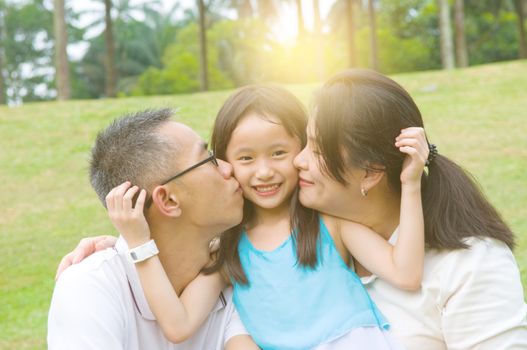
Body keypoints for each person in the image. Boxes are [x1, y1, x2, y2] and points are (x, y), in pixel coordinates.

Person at [58, 70, 527, 349]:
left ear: (368, 173)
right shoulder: (230, 249)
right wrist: (130, 245)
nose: (284, 167)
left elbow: (407, 273)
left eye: (306, 149)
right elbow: (179, 320)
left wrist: (410, 184)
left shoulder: (462, 263)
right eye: (240, 159)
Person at [292, 69, 527, 349]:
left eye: (317, 151)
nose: (298, 160)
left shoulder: (470, 264)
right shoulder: (307, 236)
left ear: (370, 172)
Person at [47, 109, 249, 349]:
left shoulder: (239, 272)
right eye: (209, 159)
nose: (228, 168)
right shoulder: (90, 287)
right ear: (168, 200)